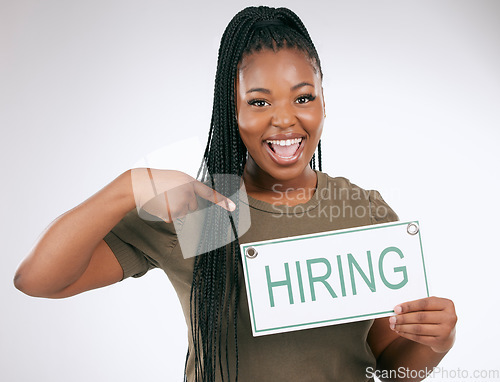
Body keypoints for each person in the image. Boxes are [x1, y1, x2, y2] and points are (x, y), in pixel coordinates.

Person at [14, 6, 457, 382]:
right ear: (233, 108)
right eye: (259, 102)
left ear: (324, 97)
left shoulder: (363, 212)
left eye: (303, 97)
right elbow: (38, 280)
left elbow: (389, 367)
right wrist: (130, 185)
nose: (285, 120)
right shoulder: (206, 212)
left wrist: (435, 345)